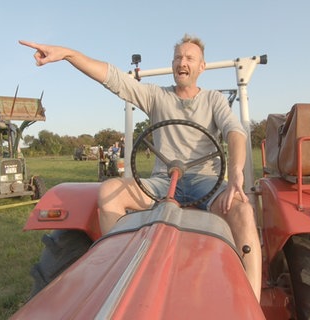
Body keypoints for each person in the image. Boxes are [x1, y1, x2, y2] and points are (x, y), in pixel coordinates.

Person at [19, 34, 262, 301]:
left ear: (201, 67)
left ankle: (252, 301)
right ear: (172, 64)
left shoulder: (213, 100)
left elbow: (234, 131)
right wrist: (68, 54)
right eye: (179, 57)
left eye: (190, 58)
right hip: (163, 181)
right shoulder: (157, 96)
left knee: (242, 210)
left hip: (205, 181)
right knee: (110, 191)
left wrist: (237, 170)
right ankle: (121, 271)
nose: (183, 62)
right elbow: (112, 77)